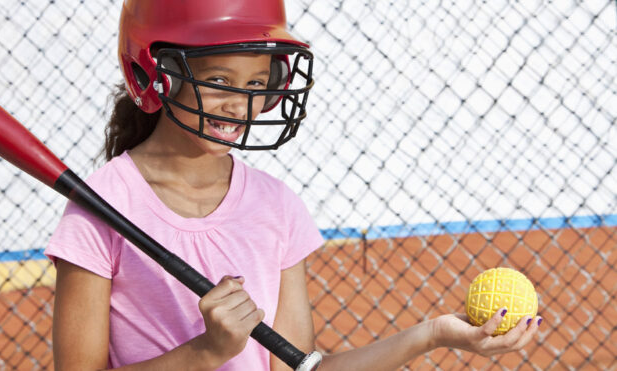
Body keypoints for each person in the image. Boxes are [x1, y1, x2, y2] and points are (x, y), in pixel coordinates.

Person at [46, 0, 542, 370]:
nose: (241, 103)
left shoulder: (276, 207)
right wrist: (206, 352)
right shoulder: (102, 206)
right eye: (220, 79)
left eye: (258, 85)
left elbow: (301, 367)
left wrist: (433, 334)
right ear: (156, 74)